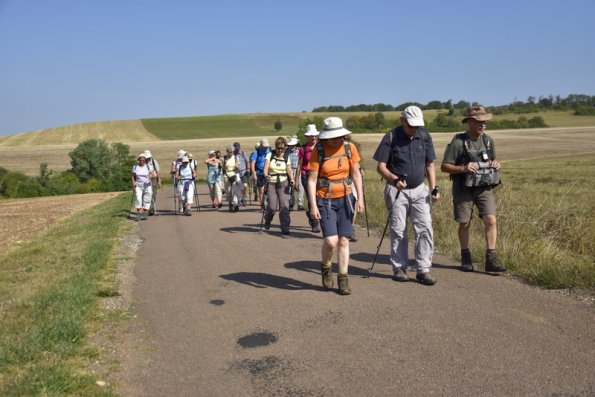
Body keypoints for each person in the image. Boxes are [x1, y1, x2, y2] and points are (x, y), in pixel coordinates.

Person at [372, 105, 440, 286]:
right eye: (411, 126)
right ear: (402, 121)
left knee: (425, 228)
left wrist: (434, 187)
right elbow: (381, 166)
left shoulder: (424, 136)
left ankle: (423, 269)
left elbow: (430, 164)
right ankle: (399, 268)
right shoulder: (391, 136)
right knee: (399, 229)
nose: (413, 130)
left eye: (417, 126)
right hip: (397, 190)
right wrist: (394, 180)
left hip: (419, 189)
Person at [440, 106, 506, 273]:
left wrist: (496, 164)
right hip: (463, 187)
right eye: (479, 121)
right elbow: (444, 166)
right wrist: (464, 168)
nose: (483, 124)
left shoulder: (488, 141)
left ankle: (490, 259)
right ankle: (465, 256)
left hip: (484, 186)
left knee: (491, 220)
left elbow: (492, 160)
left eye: (485, 121)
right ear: (469, 122)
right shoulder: (458, 142)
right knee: (465, 223)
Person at [308, 117, 364, 295]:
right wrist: (313, 206)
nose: (336, 140)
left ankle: (343, 278)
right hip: (325, 199)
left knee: (344, 240)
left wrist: (360, 199)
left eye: (338, 136)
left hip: (346, 198)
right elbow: (312, 180)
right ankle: (326, 267)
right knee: (330, 241)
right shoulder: (319, 150)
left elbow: (356, 175)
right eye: (332, 137)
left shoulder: (349, 148)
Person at [263, 137, 295, 234]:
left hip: (283, 182)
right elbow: (266, 168)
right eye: (278, 148)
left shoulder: (286, 156)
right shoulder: (270, 155)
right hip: (271, 182)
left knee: (284, 206)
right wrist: (266, 175)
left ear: (285, 147)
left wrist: (292, 179)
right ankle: (267, 220)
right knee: (272, 207)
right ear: (275, 147)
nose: (280, 150)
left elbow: (289, 170)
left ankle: (285, 227)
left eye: (282, 148)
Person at [297, 124, 321, 232]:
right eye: (312, 136)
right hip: (306, 175)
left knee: (319, 198)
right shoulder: (303, 149)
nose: (314, 138)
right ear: (307, 137)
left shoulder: (320, 146)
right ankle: (314, 223)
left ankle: (310, 212)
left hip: (319, 175)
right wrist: (296, 179)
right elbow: (299, 165)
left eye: (315, 136)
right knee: (312, 198)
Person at [250, 139, 271, 208]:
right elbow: (252, 164)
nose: (265, 148)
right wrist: (254, 174)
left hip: (269, 173)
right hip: (259, 173)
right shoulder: (257, 152)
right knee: (261, 190)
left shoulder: (270, 152)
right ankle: (262, 205)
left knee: (269, 189)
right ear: (261, 145)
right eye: (264, 146)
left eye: (266, 146)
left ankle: (268, 204)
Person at [132, 153, 153, 220]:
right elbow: (133, 176)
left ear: (145, 160)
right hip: (138, 185)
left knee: (147, 199)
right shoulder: (135, 167)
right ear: (138, 160)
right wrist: (134, 182)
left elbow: (153, 174)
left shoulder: (148, 166)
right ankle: (138, 214)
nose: (142, 161)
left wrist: (151, 176)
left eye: (143, 160)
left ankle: (145, 213)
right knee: (138, 198)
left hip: (147, 185)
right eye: (140, 160)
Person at [223, 145, 243, 212]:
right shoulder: (224, 158)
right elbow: (222, 168)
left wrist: (237, 166)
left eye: (231, 152)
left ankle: (235, 204)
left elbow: (238, 165)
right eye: (229, 152)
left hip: (234, 174)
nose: (230, 154)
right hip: (227, 175)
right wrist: (224, 167)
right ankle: (230, 204)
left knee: (235, 190)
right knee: (228, 191)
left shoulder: (235, 157)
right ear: (227, 152)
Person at [143, 149, 161, 215]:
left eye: (148, 157)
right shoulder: (142, 162)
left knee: (153, 194)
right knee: (147, 194)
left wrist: (159, 181)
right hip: (145, 181)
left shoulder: (154, 162)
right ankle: (147, 209)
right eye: (146, 157)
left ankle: (152, 209)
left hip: (153, 180)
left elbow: (158, 171)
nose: (147, 159)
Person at [285, 136, 300, 210]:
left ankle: (300, 204)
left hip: (297, 170)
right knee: (290, 189)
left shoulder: (299, 151)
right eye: (291, 145)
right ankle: (290, 203)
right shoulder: (286, 151)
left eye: (294, 145)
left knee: (299, 187)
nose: (292, 146)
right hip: (288, 170)